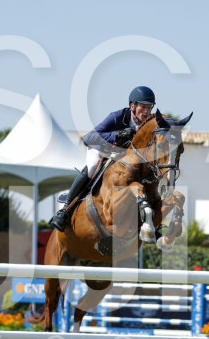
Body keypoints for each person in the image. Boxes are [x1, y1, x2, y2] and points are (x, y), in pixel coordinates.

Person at [49, 86, 157, 231]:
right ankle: (64, 211)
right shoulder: (117, 117)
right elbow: (89, 138)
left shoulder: (150, 124)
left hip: (124, 158)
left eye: (149, 108)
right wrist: (116, 135)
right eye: (142, 107)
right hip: (102, 150)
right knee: (92, 166)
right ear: (132, 106)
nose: (146, 112)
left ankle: (150, 220)